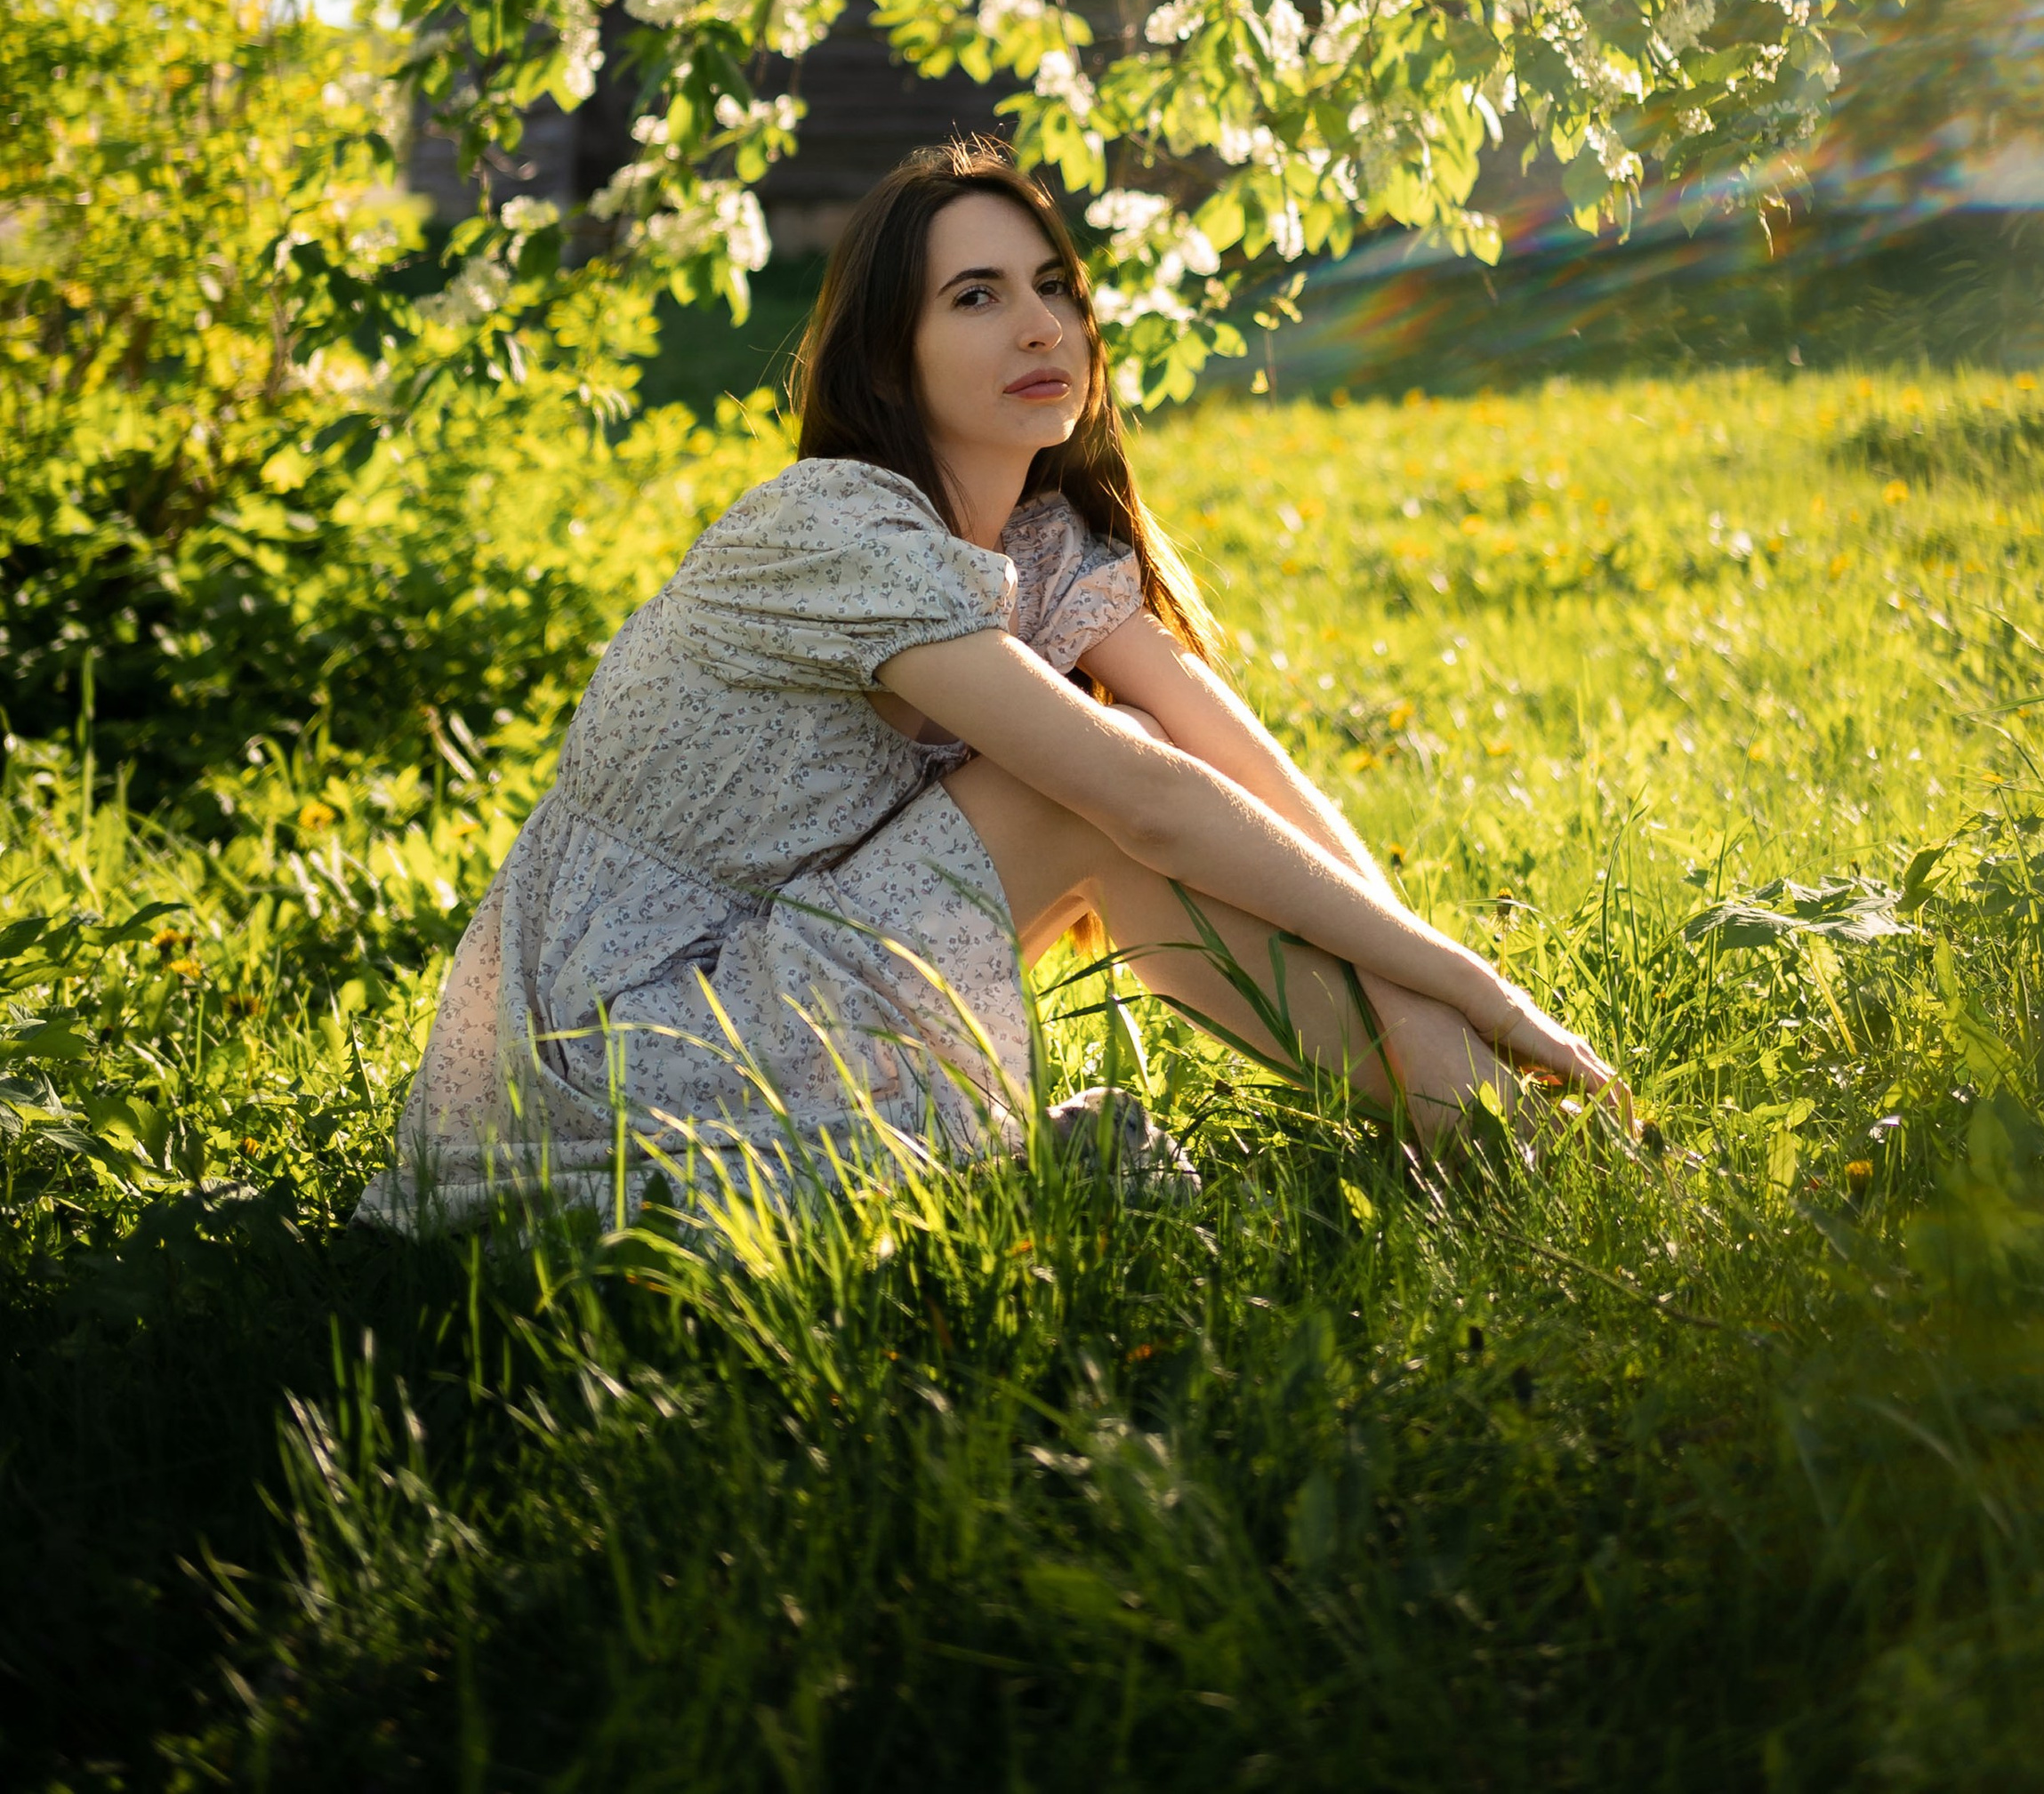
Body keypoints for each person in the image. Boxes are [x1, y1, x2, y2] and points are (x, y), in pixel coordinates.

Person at [359, 140, 1620, 1224]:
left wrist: (1426, 967)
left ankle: (1518, 1145)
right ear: (888, 358)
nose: (1040, 326)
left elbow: (1244, 776)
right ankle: (1511, 1143)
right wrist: (1479, 987)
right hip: (605, 1059)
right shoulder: (832, 531)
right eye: (975, 297)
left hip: (769, 983)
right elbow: (1150, 803)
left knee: (1129, 770)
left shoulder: (1039, 545)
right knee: (1077, 789)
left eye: (1054, 288)